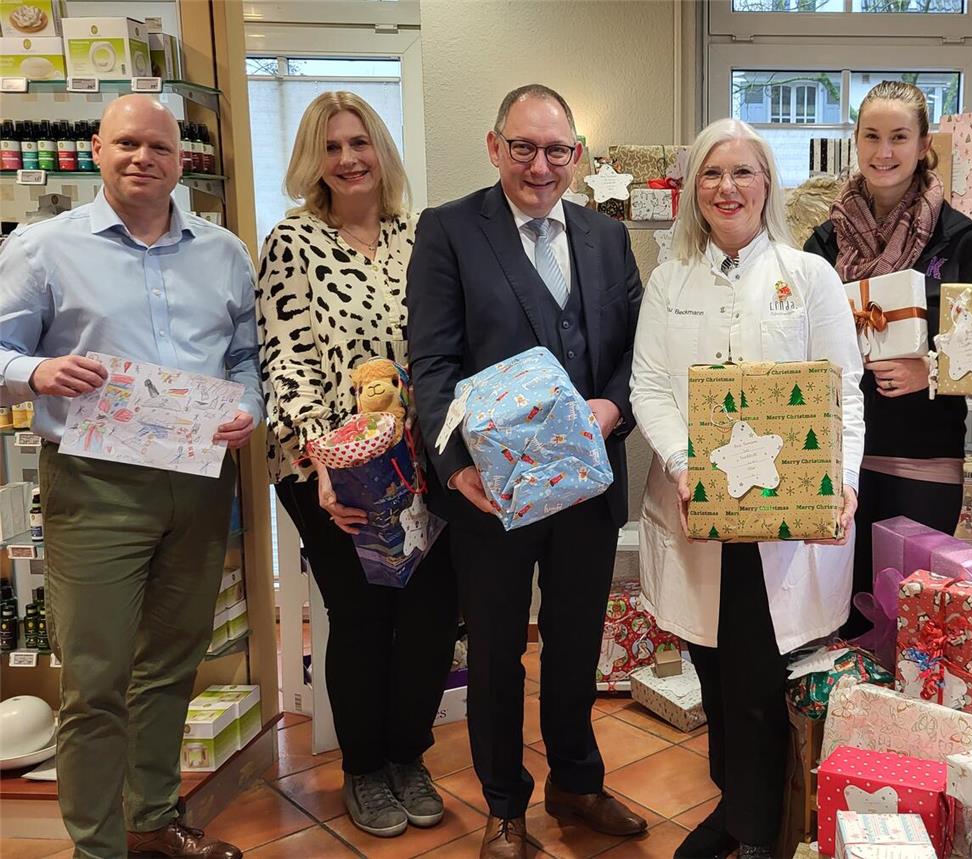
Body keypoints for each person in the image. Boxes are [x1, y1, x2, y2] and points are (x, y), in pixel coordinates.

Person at [0, 95, 261, 859]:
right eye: (126, 144)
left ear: (182, 158)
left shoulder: (223, 251)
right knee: (95, 679)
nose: (142, 157)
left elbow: (244, 358)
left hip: (201, 482)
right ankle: (96, 847)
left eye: (158, 146)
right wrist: (38, 369)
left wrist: (249, 406)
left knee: (173, 662)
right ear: (97, 149)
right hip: (96, 485)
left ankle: (151, 821)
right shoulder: (42, 248)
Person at [407, 84, 646, 859]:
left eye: (556, 151)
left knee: (577, 640)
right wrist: (454, 468)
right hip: (493, 492)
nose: (540, 166)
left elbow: (634, 358)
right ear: (493, 145)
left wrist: (613, 412)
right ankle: (505, 806)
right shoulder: (449, 230)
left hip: (586, 485)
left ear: (577, 154)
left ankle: (577, 782)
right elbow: (433, 364)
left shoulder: (607, 238)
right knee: (498, 650)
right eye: (523, 148)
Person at [630, 118, 864, 859]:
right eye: (711, 173)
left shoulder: (811, 276)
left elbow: (844, 392)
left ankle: (756, 831)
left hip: (783, 523)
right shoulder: (671, 283)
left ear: (768, 184)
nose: (727, 187)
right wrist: (681, 462)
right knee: (711, 663)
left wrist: (845, 478)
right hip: (699, 508)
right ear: (693, 190)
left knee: (762, 674)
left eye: (743, 172)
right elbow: (650, 387)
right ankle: (733, 805)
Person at [255, 91, 458, 839]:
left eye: (359, 143)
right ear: (314, 159)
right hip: (328, 470)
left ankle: (410, 755)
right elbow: (285, 360)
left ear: (382, 151)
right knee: (366, 617)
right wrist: (325, 458)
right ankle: (366, 769)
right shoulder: (293, 241)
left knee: (435, 615)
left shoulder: (421, 236)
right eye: (332, 147)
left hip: (417, 466)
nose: (348, 159)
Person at [804, 80, 972, 634]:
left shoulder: (962, 240)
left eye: (900, 137)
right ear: (855, 141)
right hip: (839, 460)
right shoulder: (825, 243)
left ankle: (904, 721)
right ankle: (840, 716)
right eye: (873, 136)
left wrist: (929, 369)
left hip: (923, 456)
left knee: (915, 618)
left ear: (924, 142)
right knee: (843, 613)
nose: (885, 152)